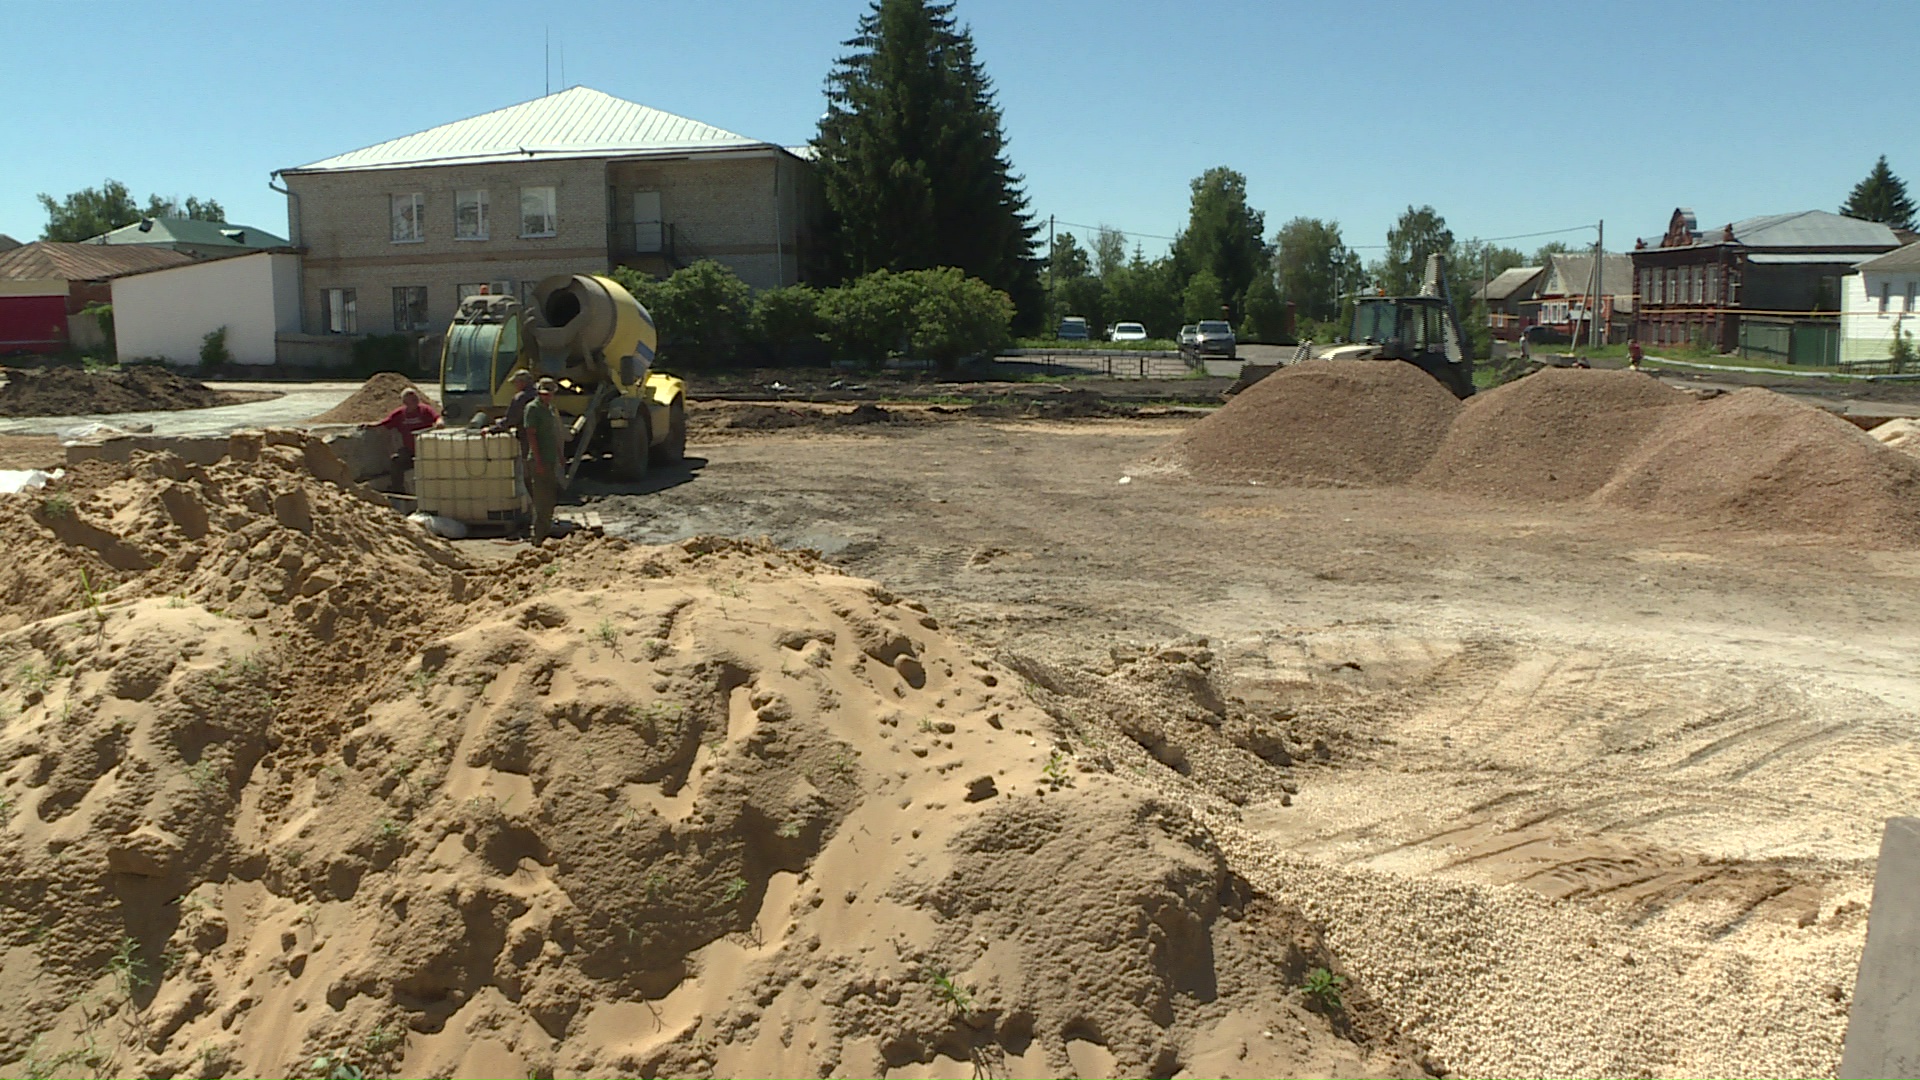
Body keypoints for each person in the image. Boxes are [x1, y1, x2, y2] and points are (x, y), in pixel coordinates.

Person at [368, 387, 440, 492]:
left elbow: (437, 418)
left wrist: (439, 423)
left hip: (427, 449)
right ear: (405, 402)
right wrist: (369, 426)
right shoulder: (399, 414)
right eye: (412, 399)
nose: (415, 401)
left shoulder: (425, 410)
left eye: (416, 398)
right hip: (410, 450)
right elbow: (384, 423)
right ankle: (397, 489)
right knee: (396, 461)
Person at [522, 377, 564, 545]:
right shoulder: (532, 409)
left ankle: (545, 532)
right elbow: (531, 435)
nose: (547, 397)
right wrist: (538, 461)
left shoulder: (550, 409)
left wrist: (560, 454)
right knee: (541, 500)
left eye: (549, 394)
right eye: (543, 394)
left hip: (550, 458)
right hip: (539, 460)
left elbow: (553, 434)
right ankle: (538, 537)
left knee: (550, 498)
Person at [487, 369, 537, 440]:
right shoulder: (540, 395)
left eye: (515, 382)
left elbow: (511, 419)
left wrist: (492, 429)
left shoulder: (520, 398)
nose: (515, 385)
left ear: (522, 382)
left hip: (528, 436)